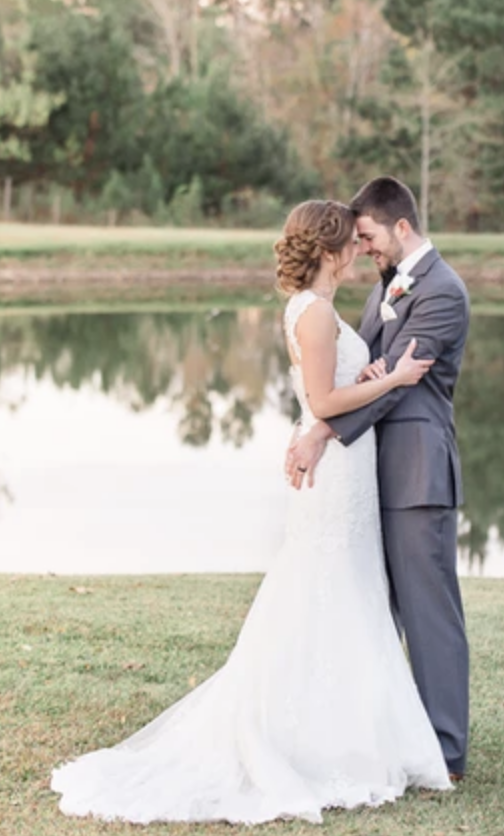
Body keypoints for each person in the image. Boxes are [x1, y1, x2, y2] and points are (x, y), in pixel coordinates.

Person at [50, 199, 452, 826]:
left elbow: (331, 393)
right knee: (328, 586)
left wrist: (370, 373)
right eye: (351, 241)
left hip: (346, 468)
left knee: (346, 591)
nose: (359, 248)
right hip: (335, 470)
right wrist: (394, 378)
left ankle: (343, 731)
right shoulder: (313, 313)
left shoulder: (317, 308)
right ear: (329, 251)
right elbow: (324, 400)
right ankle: (313, 741)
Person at [286, 176, 471, 781]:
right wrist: (318, 418)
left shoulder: (442, 292)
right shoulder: (385, 287)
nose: (361, 247)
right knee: (371, 611)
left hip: (416, 473)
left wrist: (321, 429)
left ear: (401, 226)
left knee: (428, 614)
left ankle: (445, 752)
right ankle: (384, 736)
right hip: (369, 474)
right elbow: (361, 374)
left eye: (367, 237)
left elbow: (396, 384)